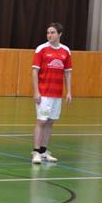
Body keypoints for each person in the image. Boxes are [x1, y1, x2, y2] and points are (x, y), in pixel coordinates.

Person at [31, 23, 72, 164]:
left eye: (53, 32)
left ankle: (43, 151)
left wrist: (69, 92)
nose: (49, 35)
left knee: (50, 122)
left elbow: (68, 73)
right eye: (48, 32)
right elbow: (35, 71)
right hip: (44, 94)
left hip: (57, 94)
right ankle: (36, 152)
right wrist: (36, 91)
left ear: (59, 34)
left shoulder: (66, 51)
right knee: (41, 121)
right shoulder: (41, 49)